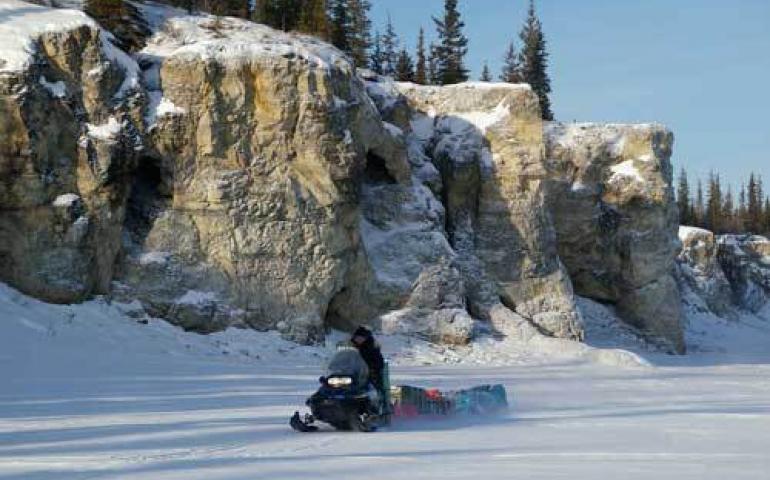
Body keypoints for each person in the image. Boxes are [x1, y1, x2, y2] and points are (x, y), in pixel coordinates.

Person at [350, 326, 384, 393]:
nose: (358, 339)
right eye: (357, 337)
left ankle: (376, 398)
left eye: (360, 338)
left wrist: (372, 367)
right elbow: (343, 356)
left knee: (371, 388)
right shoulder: (351, 346)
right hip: (353, 373)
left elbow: (379, 362)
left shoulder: (372, 348)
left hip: (369, 374)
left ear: (365, 338)